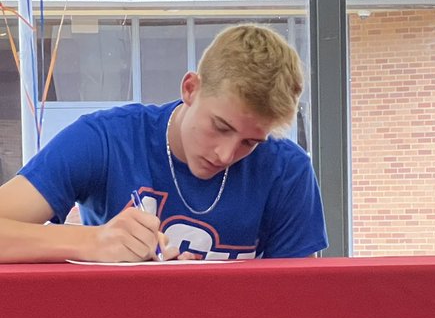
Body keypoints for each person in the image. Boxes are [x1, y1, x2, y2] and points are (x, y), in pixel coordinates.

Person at [0, 23, 327, 262]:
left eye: (250, 143)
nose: (226, 154)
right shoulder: (107, 140)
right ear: (190, 89)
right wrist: (91, 242)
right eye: (220, 127)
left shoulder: (287, 170)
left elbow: (297, 307)